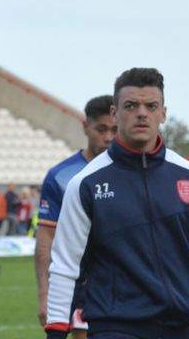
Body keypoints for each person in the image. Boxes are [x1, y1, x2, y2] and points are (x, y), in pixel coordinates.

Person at [44, 68, 189, 339]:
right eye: (131, 106)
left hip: (178, 327)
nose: (142, 113)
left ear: (163, 113)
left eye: (151, 106)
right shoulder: (86, 183)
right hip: (113, 327)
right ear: (115, 113)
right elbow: (66, 264)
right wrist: (56, 330)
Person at [34, 95, 117, 338]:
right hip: (80, 284)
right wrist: (44, 295)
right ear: (85, 126)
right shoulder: (60, 176)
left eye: (114, 130)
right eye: (101, 129)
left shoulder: (131, 171)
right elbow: (46, 239)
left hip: (126, 283)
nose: (108, 137)